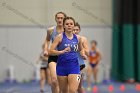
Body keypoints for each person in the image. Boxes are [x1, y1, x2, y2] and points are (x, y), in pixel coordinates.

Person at [49, 17, 86, 93]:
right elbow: (50, 51)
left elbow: (81, 49)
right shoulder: (59, 37)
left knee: (73, 90)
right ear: (64, 26)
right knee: (64, 91)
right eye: (67, 24)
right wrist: (61, 52)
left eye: (71, 24)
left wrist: (83, 54)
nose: (69, 25)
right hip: (61, 67)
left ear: (73, 25)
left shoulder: (78, 38)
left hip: (74, 67)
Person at [44, 12, 67, 93]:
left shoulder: (68, 30)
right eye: (58, 18)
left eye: (61, 18)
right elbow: (47, 40)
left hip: (65, 58)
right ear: (55, 19)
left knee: (64, 82)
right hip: (53, 56)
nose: (60, 19)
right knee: (54, 80)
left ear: (65, 19)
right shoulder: (50, 30)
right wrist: (46, 49)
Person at [73, 22, 89, 93]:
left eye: (77, 30)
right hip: (70, 66)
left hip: (81, 66)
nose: (75, 31)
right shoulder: (67, 39)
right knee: (72, 87)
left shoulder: (83, 39)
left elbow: (88, 53)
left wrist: (81, 46)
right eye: (74, 30)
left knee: (79, 86)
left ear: (79, 30)